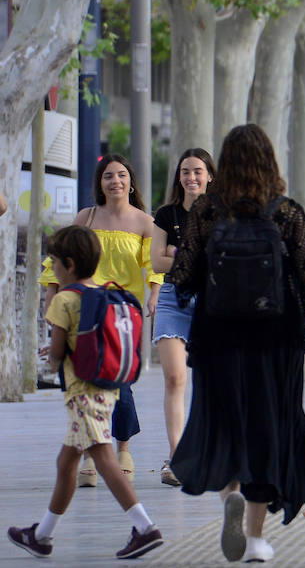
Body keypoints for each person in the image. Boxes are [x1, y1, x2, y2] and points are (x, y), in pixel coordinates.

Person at [167, 123, 305, 564]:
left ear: (223, 163)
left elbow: (182, 278)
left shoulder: (206, 210)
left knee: (225, 419)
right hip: (275, 337)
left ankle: (230, 492)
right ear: (269, 160)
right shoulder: (285, 212)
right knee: (269, 424)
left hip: (217, 334)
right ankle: (256, 538)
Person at [8, 225, 164, 559]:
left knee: (104, 457)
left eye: (55, 263)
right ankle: (42, 535)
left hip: (82, 394)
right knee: (66, 463)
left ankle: (145, 526)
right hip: (108, 389)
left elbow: (59, 354)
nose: (54, 270)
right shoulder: (108, 290)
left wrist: (51, 352)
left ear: (69, 264)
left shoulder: (64, 300)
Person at [40, 154, 160, 488]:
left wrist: (153, 296)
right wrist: (52, 294)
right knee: (86, 380)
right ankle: (93, 451)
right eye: (108, 176)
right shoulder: (86, 216)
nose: (116, 181)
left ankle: (123, 448)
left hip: (123, 312)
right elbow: (61, 258)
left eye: (122, 175)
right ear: (100, 183)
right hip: (83, 309)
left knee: (118, 380)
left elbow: (153, 267)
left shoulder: (144, 222)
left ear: (130, 181)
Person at [150, 148, 216, 487]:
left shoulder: (221, 213)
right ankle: (176, 459)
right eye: (186, 171)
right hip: (173, 300)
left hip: (211, 302)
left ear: (209, 176)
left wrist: (177, 252)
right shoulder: (166, 214)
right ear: (179, 176)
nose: (191, 177)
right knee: (175, 379)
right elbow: (156, 263)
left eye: (198, 171)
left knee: (209, 382)